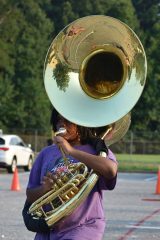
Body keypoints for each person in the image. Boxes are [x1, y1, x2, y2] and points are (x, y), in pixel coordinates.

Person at [22, 108, 118, 240]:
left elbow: (111, 170)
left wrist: (71, 151)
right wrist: (45, 188)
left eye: (67, 120)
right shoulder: (45, 153)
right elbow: (30, 195)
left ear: (80, 123)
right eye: (58, 120)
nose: (61, 124)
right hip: (48, 229)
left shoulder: (95, 151)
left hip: (83, 228)